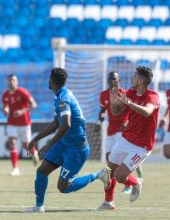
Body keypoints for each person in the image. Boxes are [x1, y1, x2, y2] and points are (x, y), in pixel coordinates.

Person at [25, 67, 110, 213]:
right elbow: (56, 123)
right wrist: (36, 139)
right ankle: (39, 207)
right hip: (64, 144)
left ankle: (98, 175)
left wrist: (48, 145)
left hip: (76, 149)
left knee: (63, 188)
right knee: (42, 171)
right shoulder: (60, 95)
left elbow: (66, 124)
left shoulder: (63, 99)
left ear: (52, 81)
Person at [97, 66, 159, 211]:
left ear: (141, 80)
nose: (132, 77)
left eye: (134, 75)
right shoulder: (131, 92)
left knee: (120, 176)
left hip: (142, 146)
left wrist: (129, 103)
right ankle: (108, 202)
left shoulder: (153, 96)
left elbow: (147, 112)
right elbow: (116, 111)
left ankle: (137, 182)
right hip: (125, 139)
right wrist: (114, 101)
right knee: (109, 172)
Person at [95, 71, 143, 194]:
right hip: (111, 130)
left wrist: (129, 123)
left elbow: (133, 110)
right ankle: (126, 183)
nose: (112, 81)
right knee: (109, 160)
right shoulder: (103, 95)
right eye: (110, 78)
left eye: (114, 79)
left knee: (121, 160)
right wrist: (100, 122)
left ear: (119, 80)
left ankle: (128, 186)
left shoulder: (125, 94)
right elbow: (102, 111)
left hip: (123, 131)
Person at [2, 74, 39, 176]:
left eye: (13, 80)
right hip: (12, 122)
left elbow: (34, 104)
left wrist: (22, 111)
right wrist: (5, 110)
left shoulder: (22, 92)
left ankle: (34, 153)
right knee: (12, 142)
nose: (12, 82)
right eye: (10, 80)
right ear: (7, 82)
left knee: (25, 145)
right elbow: (5, 107)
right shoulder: (5, 94)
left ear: (17, 82)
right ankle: (15, 168)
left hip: (24, 122)